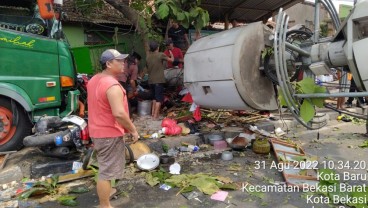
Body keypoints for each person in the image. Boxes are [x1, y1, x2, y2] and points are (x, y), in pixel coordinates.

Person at [87, 49, 139, 208]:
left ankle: (107, 192)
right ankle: (105, 204)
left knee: (105, 167)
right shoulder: (113, 85)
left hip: (97, 130)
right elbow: (119, 114)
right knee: (107, 172)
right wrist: (133, 129)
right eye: (119, 61)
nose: (123, 63)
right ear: (109, 64)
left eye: (123, 60)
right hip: (109, 133)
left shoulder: (94, 79)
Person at [146, 41, 173, 120]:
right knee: (159, 99)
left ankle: (153, 114)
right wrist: (171, 52)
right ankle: (155, 116)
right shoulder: (160, 54)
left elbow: (148, 67)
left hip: (150, 81)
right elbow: (171, 60)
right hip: (158, 81)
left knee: (154, 98)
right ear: (157, 48)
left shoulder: (148, 57)